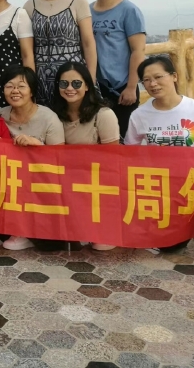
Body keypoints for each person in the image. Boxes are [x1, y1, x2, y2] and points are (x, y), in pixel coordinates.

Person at [126, 55, 194, 251]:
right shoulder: (139, 115)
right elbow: (130, 152)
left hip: (193, 185)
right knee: (169, 245)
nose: (153, 84)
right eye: (146, 80)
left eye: (158, 77)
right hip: (161, 186)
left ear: (174, 76)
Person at [53, 61, 119, 251]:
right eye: (64, 84)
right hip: (65, 181)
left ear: (87, 86)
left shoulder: (104, 115)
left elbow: (112, 160)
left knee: (101, 245)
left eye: (76, 83)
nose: (70, 88)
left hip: (97, 183)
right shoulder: (54, 116)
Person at [0, 66, 64, 251]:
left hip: (41, 180)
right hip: (10, 181)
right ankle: (16, 229)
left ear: (32, 91)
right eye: (9, 86)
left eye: (21, 86)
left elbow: (61, 160)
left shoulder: (49, 118)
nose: (15, 91)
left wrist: (38, 146)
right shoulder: (0, 115)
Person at [24, 0, 97, 106]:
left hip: (73, 76)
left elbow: (88, 43)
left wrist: (90, 79)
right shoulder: (29, 6)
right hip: (41, 77)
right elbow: (27, 50)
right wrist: (30, 84)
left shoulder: (77, 1)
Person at [90, 0, 146, 139]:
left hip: (121, 88)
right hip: (96, 87)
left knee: (122, 138)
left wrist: (131, 87)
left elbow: (138, 51)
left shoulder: (129, 10)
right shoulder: (86, 11)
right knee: (97, 138)